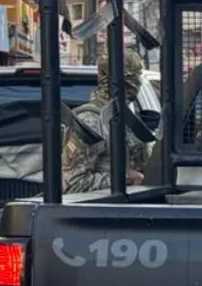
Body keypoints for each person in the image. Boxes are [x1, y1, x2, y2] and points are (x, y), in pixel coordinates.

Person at [62, 47, 151, 194]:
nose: (138, 82)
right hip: (100, 210)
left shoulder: (123, 116)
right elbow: (73, 184)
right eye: (134, 75)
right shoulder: (91, 121)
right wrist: (127, 179)